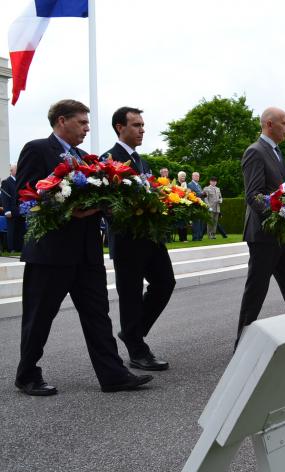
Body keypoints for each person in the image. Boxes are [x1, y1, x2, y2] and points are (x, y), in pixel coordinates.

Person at [14, 99, 152, 395]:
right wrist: (66, 209)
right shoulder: (37, 149)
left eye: (88, 123)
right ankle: (27, 374)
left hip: (87, 253)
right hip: (50, 253)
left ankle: (113, 375)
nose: (87, 129)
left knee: (98, 315)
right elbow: (25, 197)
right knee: (39, 316)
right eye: (82, 123)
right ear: (62, 121)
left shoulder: (86, 159)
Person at [103, 106, 175, 371]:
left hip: (151, 237)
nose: (142, 130)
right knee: (130, 295)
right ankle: (137, 351)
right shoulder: (108, 159)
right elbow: (107, 204)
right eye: (136, 125)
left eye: (143, 125)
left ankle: (133, 331)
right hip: (127, 239)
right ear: (120, 127)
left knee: (166, 283)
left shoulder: (141, 162)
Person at [236, 107, 285, 348]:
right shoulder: (255, 152)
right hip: (264, 235)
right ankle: (242, 345)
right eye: (284, 123)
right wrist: (280, 215)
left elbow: (281, 191)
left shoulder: (277, 152)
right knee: (256, 292)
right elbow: (253, 196)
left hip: (282, 233)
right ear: (268, 124)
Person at [1, 164, 25, 252]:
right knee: (12, 229)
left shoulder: (20, 180)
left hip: (21, 209)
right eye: (16, 170)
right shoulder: (6, 182)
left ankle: (20, 247)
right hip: (11, 210)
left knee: (20, 228)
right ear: (11, 171)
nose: (18, 171)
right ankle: (11, 248)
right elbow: (5, 197)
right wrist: (7, 210)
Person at [188, 172, 205, 241]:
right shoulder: (190, 184)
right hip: (194, 205)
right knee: (196, 222)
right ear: (192, 177)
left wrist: (204, 194)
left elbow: (200, 194)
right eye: (196, 176)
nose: (197, 177)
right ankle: (195, 237)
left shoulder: (199, 185)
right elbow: (192, 194)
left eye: (198, 176)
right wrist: (201, 194)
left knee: (200, 222)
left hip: (200, 205)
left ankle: (199, 236)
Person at [176, 171, 189, 242]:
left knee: (185, 222)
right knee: (180, 222)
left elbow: (187, 192)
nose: (183, 177)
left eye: (184, 176)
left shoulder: (185, 183)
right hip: (178, 203)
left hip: (185, 203)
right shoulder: (176, 183)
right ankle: (181, 238)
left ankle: (185, 238)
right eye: (182, 176)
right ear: (179, 177)